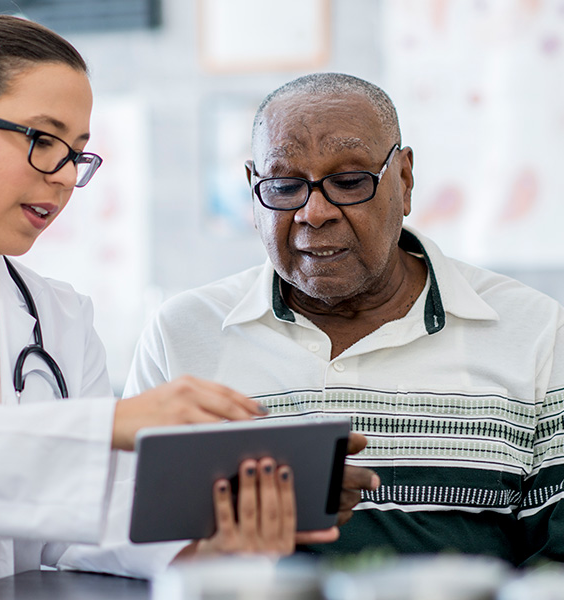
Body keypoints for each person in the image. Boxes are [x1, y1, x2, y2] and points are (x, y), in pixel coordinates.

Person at [0, 17, 358, 600]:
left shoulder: (58, 316)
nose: (66, 176)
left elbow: (81, 521)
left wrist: (209, 534)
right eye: (43, 141)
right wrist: (108, 426)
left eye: (77, 153)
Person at [125, 72, 564, 567]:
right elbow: (125, 542)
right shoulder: (183, 334)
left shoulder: (533, 330)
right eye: (284, 186)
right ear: (252, 190)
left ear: (404, 180)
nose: (314, 213)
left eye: (350, 182)